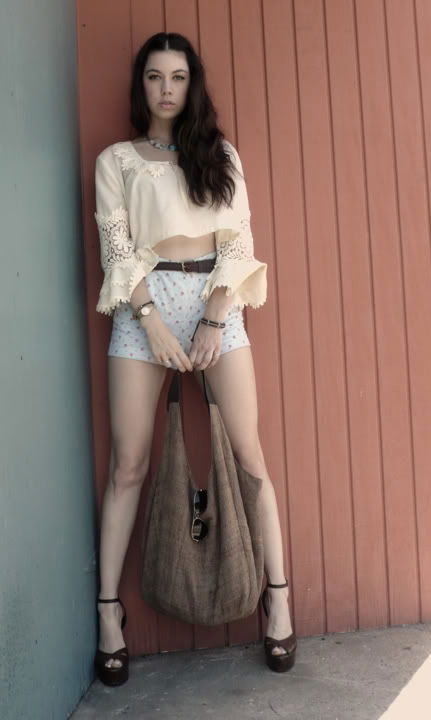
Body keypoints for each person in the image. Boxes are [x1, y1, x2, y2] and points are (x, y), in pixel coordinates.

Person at [93, 32, 296, 687]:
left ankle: (278, 602)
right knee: (128, 466)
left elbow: (238, 243)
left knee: (250, 458)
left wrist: (213, 317)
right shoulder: (116, 161)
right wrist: (151, 321)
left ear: (192, 84)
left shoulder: (219, 154)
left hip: (214, 299)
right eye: (155, 77)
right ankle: (108, 614)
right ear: (142, 85)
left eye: (178, 77)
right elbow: (117, 249)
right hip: (143, 306)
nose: (167, 89)